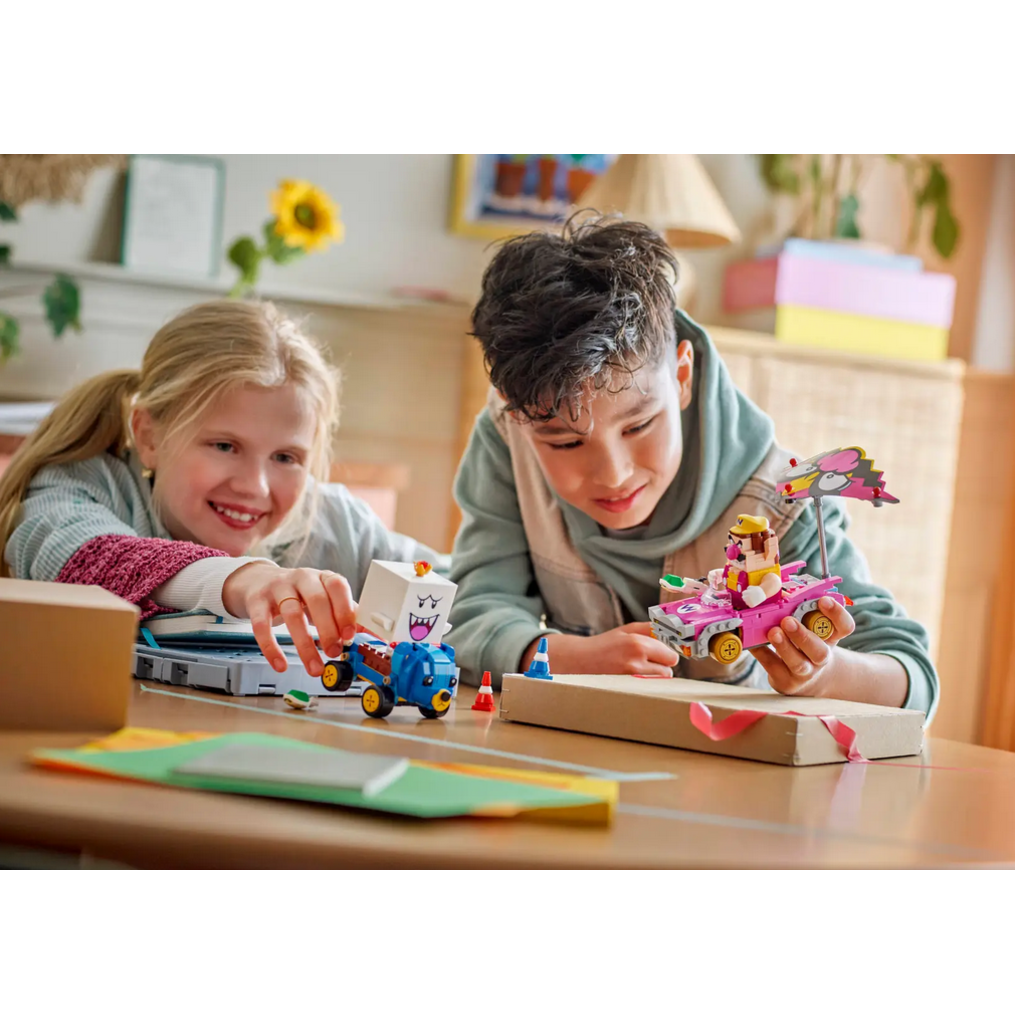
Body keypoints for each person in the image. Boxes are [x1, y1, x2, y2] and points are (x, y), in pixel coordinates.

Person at [446, 213, 938, 721]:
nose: (613, 474)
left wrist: (825, 673)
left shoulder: (779, 501)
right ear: (514, 410)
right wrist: (560, 657)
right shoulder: (508, 437)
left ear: (681, 375)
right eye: (567, 443)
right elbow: (470, 612)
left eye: (638, 427)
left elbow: (914, 678)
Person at [0, 299, 438, 679]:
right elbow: (87, 558)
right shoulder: (77, 485)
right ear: (149, 436)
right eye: (225, 446)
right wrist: (244, 578)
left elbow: (459, 598)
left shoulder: (337, 525)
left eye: (285, 457)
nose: (254, 486)